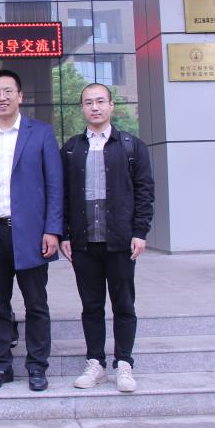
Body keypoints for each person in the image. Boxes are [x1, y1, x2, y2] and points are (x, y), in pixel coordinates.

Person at [0, 69, 63, 391]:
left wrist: (53, 229)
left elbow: (55, 185)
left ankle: (37, 367)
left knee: (36, 304)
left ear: (20, 96)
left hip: (32, 235)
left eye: (8, 91)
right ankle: (1, 367)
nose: (2, 97)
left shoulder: (41, 133)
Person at [60, 83, 154, 393]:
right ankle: (95, 363)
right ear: (82, 109)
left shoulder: (130, 146)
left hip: (121, 240)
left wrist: (140, 231)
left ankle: (124, 363)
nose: (95, 107)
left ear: (111, 105)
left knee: (123, 304)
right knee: (91, 306)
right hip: (85, 241)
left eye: (100, 101)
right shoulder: (72, 149)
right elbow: (62, 195)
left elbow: (144, 191)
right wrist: (65, 233)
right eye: (88, 102)